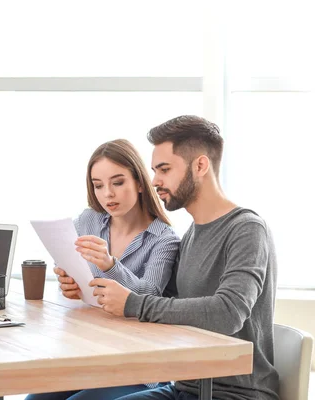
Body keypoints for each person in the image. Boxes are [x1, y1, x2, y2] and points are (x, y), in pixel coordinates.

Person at [89, 116, 279, 400]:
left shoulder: (247, 229)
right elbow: (167, 304)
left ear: (200, 165)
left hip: (236, 394)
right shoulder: (190, 235)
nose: (154, 181)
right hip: (186, 387)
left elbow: (228, 313)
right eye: (154, 170)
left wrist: (132, 303)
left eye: (164, 169)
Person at [26, 139, 180, 400]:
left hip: (138, 367)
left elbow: (150, 294)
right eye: (98, 186)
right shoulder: (89, 220)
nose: (107, 194)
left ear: (140, 183)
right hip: (90, 353)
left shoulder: (164, 239)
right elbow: (65, 259)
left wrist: (110, 265)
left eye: (118, 183)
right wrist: (67, 280)